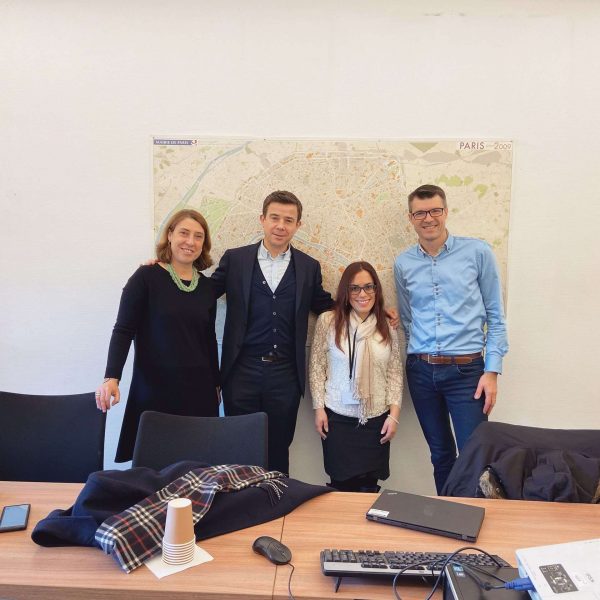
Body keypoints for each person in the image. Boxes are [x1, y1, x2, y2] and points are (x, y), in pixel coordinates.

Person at [394, 184, 508, 494]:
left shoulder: (477, 252)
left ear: (445, 212)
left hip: (468, 373)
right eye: (420, 213)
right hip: (421, 371)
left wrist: (492, 371)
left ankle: (474, 519)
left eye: (434, 211)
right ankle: (447, 518)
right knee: (440, 455)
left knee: (474, 456)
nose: (428, 218)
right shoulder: (403, 263)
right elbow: (408, 319)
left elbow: (496, 316)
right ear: (411, 217)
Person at [211, 191, 334, 475]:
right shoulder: (236, 259)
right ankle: (240, 509)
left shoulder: (308, 267)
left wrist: (374, 309)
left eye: (288, 220)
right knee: (238, 448)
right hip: (241, 371)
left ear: (298, 225)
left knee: (279, 450)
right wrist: (165, 272)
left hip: (285, 375)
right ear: (262, 220)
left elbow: (324, 305)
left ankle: (277, 507)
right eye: (275, 218)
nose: (281, 225)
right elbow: (202, 295)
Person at [95, 209, 220, 463]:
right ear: (170, 235)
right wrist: (112, 377)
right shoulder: (146, 277)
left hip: (199, 392)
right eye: (184, 233)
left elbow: (208, 339)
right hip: (155, 389)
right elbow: (123, 329)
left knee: (197, 466)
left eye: (198, 236)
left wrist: (216, 384)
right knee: (153, 468)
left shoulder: (207, 287)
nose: (190, 242)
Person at [309, 261, 403, 492]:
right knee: (340, 484)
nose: (363, 294)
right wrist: (319, 408)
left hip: (376, 419)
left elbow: (395, 372)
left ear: (376, 290)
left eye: (369, 287)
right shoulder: (328, 321)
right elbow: (317, 367)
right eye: (355, 288)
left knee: (369, 487)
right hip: (337, 418)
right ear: (346, 291)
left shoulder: (387, 325)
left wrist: (394, 416)